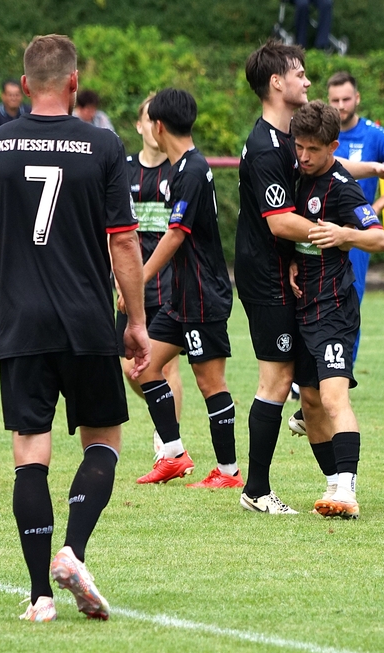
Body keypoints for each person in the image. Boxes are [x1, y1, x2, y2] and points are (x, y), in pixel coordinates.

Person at [0, 34, 149, 623]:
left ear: (23, 84)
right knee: (103, 443)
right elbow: (124, 242)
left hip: (22, 322)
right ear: (73, 83)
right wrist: (136, 321)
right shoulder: (103, 145)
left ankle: (40, 596)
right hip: (88, 320)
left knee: (29, 456)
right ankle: (74, 551)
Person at [236, 40, 384, 515]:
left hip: (301, 281)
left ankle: (337, 486)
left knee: (310, 394)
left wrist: (373, 169)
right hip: (268, 276)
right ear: (276, 82)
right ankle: (257, 490)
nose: (307, 80)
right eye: (300, 73)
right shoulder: (267, 147)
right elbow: (279, 222)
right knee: (276, 381)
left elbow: (329, 169)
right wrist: (333, 234)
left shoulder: (292, 138)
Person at [131, 88, 240, 489]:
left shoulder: (191, 170)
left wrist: (137, 279)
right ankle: (174, 454)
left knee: (210, 383)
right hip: (182, 295)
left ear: (159, 126)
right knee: (144, 366)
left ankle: (228, 472)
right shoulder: (183, 168)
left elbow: (176, 235)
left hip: (202, 295)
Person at [288, 101, 384, 519]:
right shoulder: (294, 177)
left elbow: (379, 239)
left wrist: (346, 234)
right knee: (309, 402)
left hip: (334, 307)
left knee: (332, 398)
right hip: (301, 306)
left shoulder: (343, 186)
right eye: (299, 147)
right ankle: (333, 484)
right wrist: (292, 259)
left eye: (313, 149)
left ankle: (347, 490)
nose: (304, 156)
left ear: (333, 147)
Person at [327, 71, 384, 355]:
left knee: (349, 302)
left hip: (356, 234)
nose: (340, 105)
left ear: (357, 98)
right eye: (334, 100)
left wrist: (377, 207)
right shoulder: (321, 132)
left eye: (346, 99)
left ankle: (344, 371)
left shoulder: (373, 134)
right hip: (321, 229)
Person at [118, 95, 183, 460]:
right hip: (130, 285)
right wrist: (118, 278)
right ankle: (165, 415)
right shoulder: (124, 170)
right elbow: (112, 232)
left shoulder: (179, 171)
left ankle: (168, 445)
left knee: (165, 363)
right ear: (140, 125)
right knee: (131, 368)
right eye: (149, 118)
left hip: (170, 284)